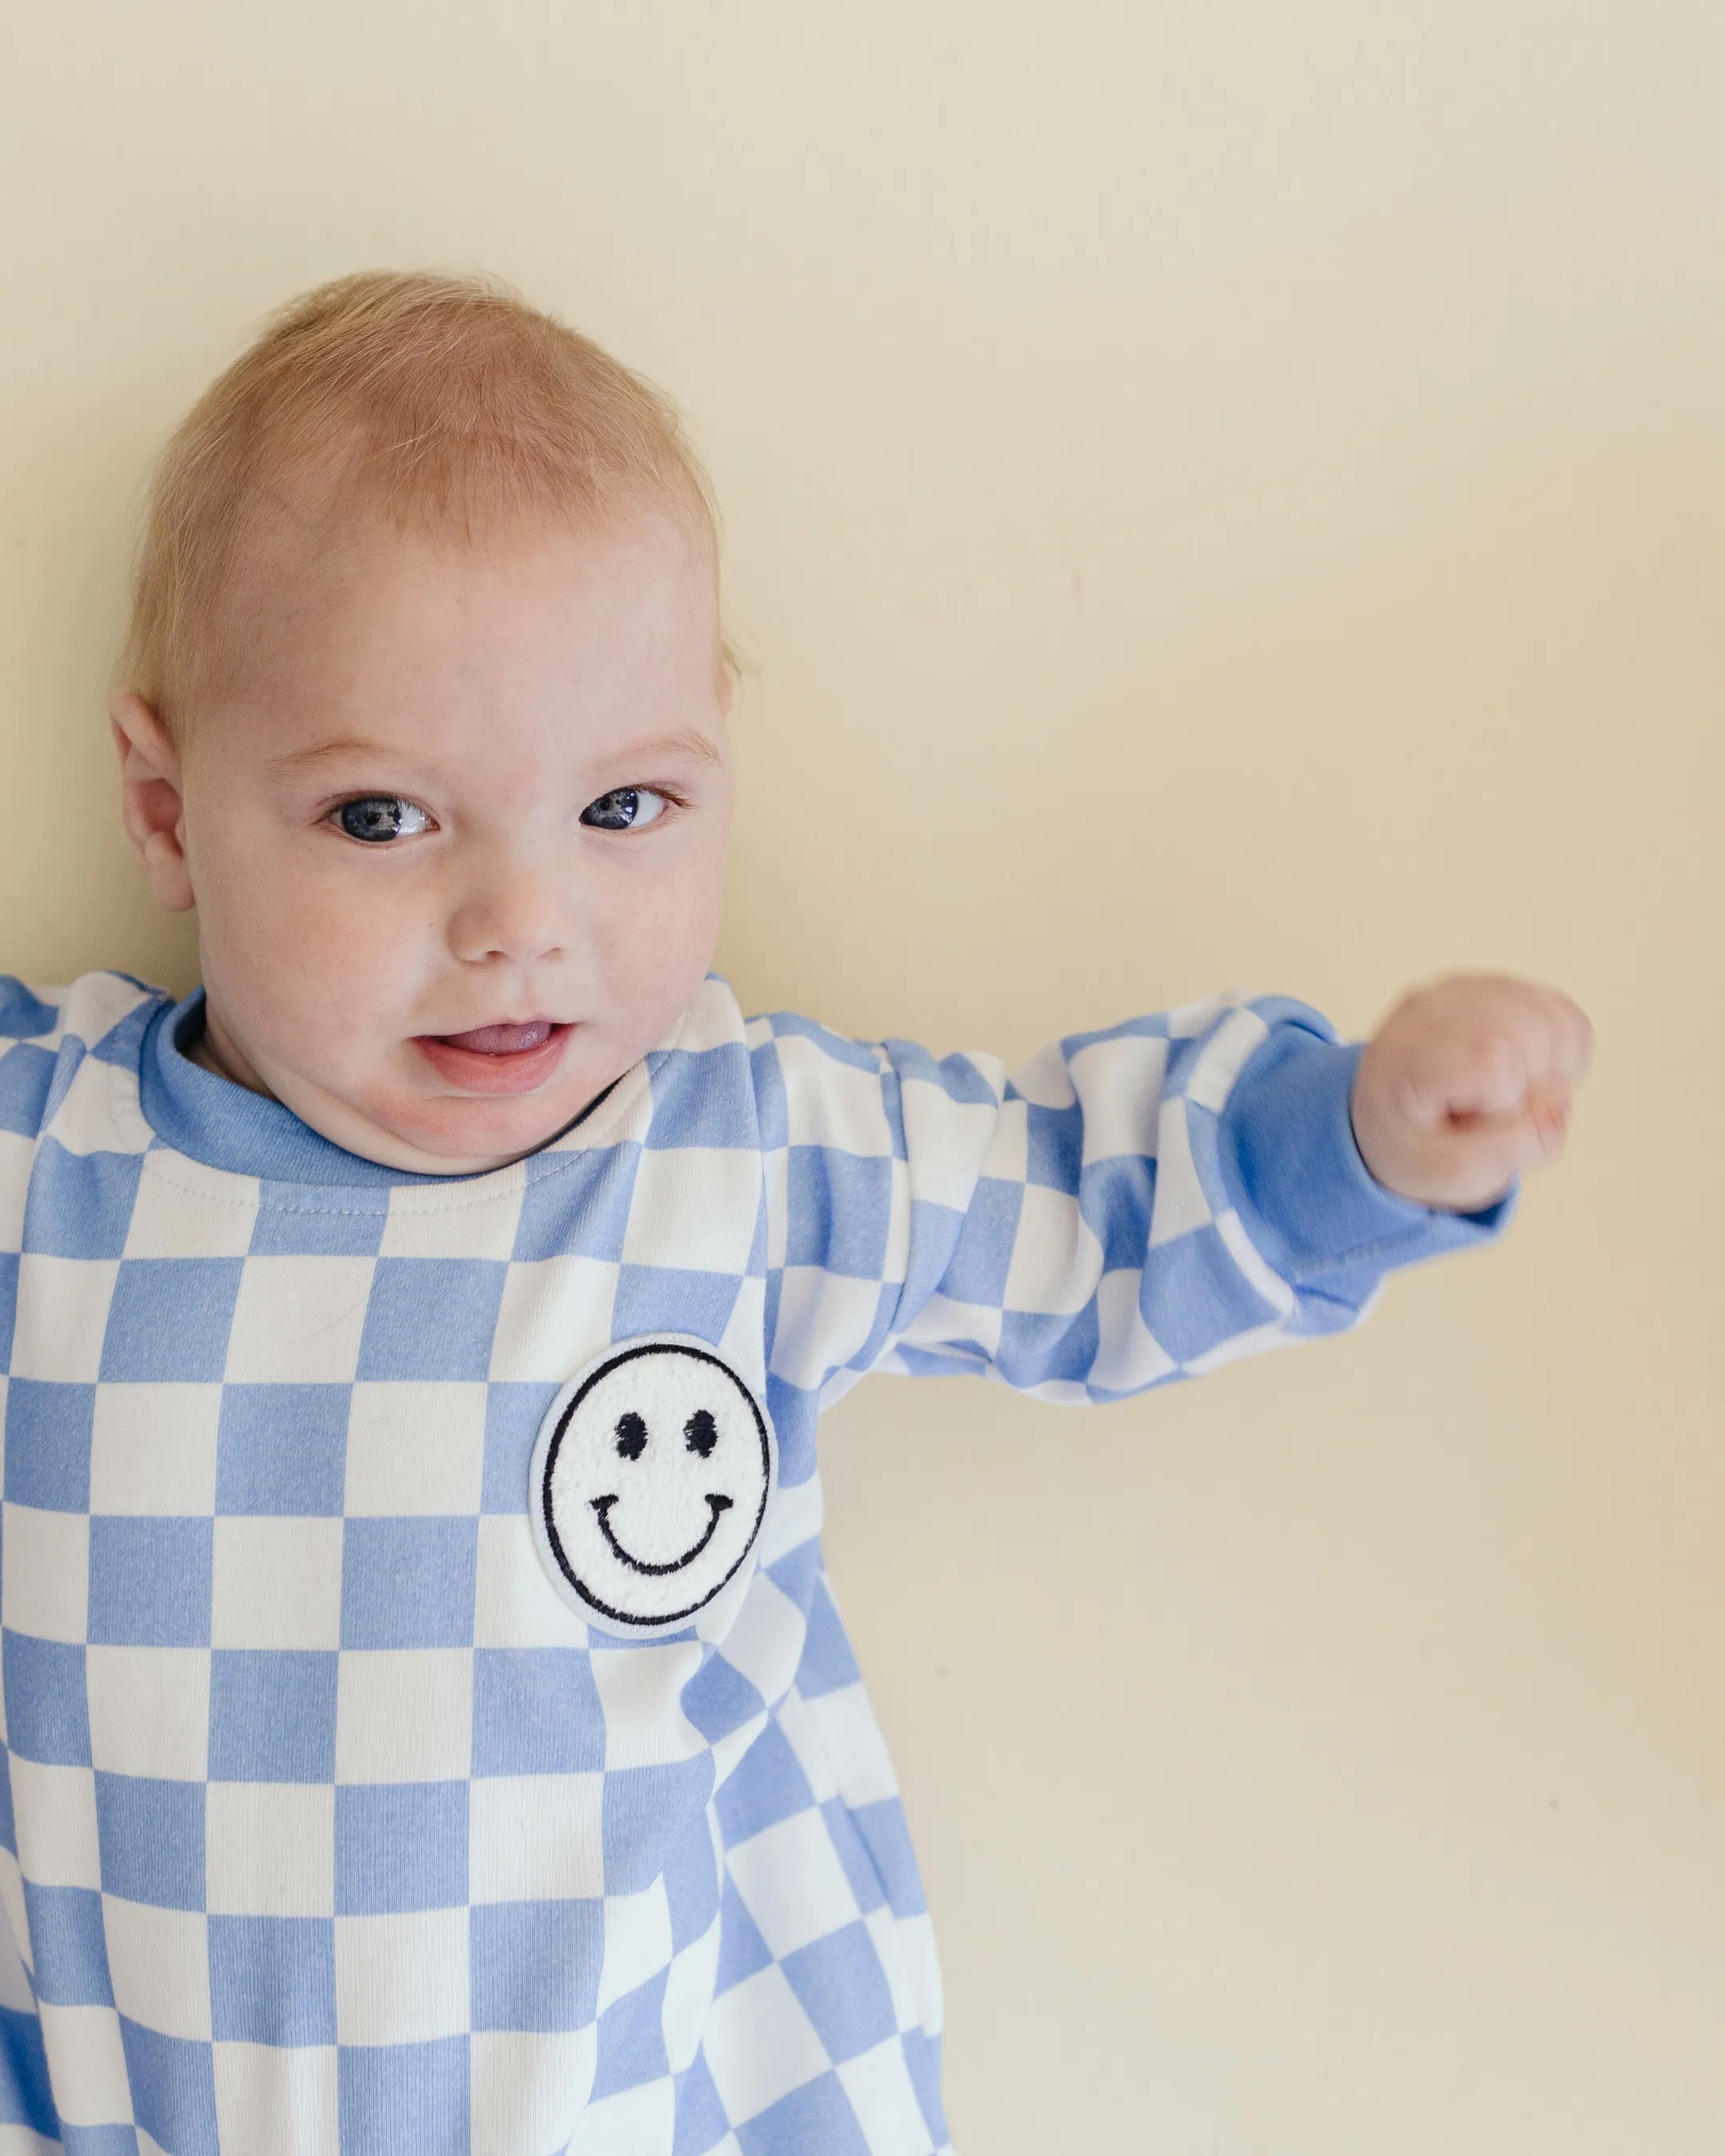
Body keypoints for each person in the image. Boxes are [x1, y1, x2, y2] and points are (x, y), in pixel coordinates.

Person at [0, 271, 1591, 2156]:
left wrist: (1360, 1140)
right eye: (382, 819)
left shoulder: (748, 1158)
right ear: (168, 814)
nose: (526, 920)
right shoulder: (53, 1164)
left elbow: (1084, 1215)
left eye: (625, 808)